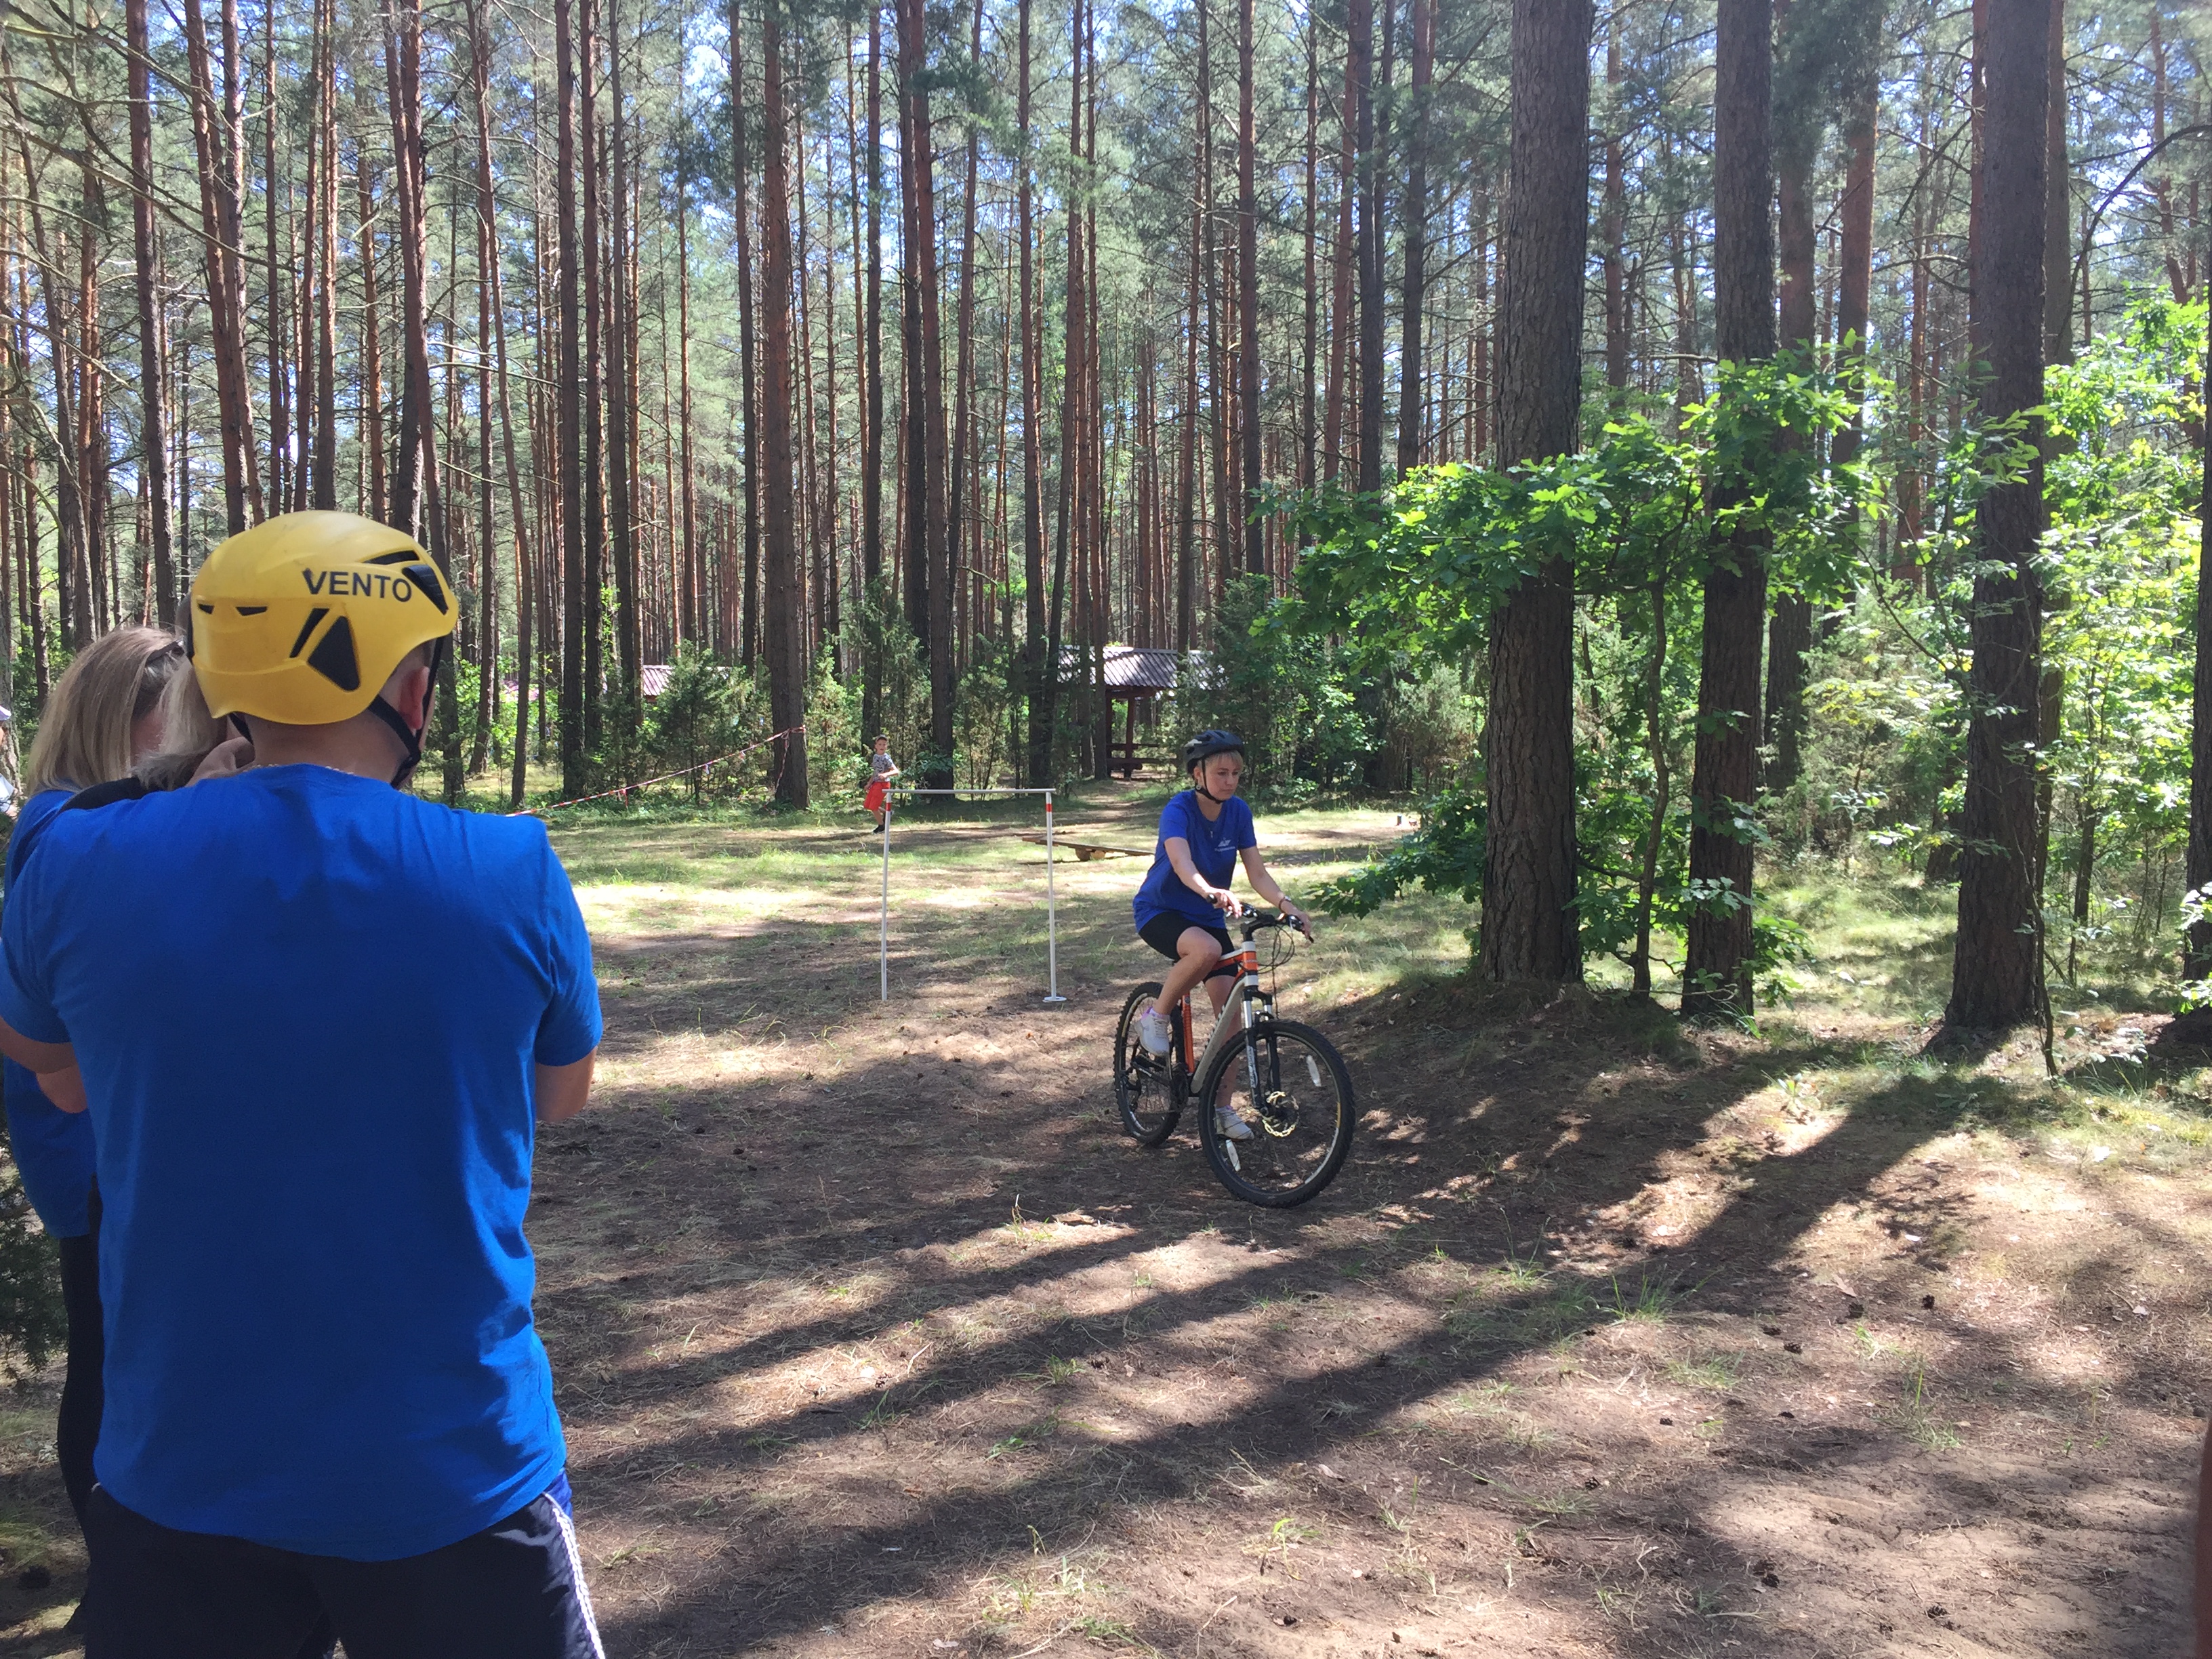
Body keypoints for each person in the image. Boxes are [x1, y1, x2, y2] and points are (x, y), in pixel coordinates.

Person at [0, 511, 605, 1656]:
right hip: (451, 1466)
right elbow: (559, 1092)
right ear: (411, 690)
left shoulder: (76, 860)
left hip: (181, 1472)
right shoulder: (508, 867)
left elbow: (54, 1075)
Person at [3, 627, 190, 1557]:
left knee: (117, 1344)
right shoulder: (63, 824)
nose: (188, 736)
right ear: (123, 720)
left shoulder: (81, 814)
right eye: (175, 718)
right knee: (108, 1354)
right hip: (81, 1133)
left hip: (98, 1122)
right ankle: (114, 1563)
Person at [1130, 730, 1312, 1142]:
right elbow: (1181, 862)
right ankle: (1155, 1016)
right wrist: (1209, 889)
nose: (1230, 781)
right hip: (1161, 910)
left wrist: (1287, 906)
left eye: (1236, 774)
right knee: (1206, 950)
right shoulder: (1178, 809)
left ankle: (1221, 1109)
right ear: (1198, 774)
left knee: (1230, 1018)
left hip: (1206, 916)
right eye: (1221, 773)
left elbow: (1257, 873)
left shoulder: (1239, 812)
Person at [863, 735, 901, 832]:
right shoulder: (875, 757)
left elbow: (896, 771)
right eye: (880, 744)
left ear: (886, 747)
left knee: (874, 807)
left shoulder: (886, 758)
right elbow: (876, 772)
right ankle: (888, 813)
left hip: (883, 785)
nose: (882, 746)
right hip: (875, 783)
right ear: (876, 746)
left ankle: (881, 826)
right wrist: (869, 783)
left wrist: (886, 775)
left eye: (884, 745)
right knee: (867, 805)